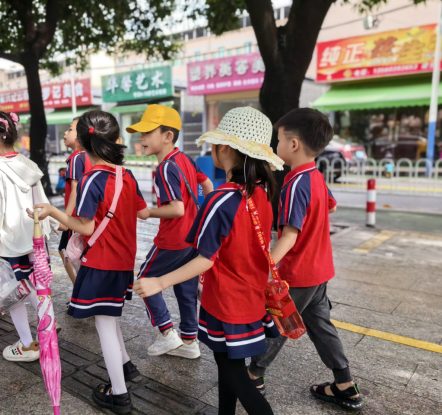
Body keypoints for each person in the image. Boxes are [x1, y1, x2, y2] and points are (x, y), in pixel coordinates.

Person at [134, 107, 284, 415]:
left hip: (226, 302)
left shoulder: (222, 199)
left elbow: (205, 259)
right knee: (228, 365)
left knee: (234, 374)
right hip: (251, 298)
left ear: (225, 148)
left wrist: (160, 281)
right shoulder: (261, 194)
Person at [29, 110, 150, 414]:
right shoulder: (127, 174)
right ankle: (126, 366)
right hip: (123, 260)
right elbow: (142, 213)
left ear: (83, 143)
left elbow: (84, 226)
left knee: (104, 323)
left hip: (101, 261)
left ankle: (119, 395)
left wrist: (52, 212)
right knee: (108, 316)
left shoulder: (91, 178)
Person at [248, 108, 363, 412]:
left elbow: (289, 236)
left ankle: (254, 375)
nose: (277, 146)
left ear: (294, 144)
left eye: (279, 140)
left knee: (277, 323)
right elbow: (331, 207)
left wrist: (261, 267)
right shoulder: (314, 176)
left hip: (297, 274)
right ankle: (344, 383)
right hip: (320, 269)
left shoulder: (294, 183)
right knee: (321, 326)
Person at [127, 104, 213, 359]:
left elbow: (176, 209)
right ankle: (189, 341)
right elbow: (206, 183)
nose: (141, 138)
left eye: (147, 132)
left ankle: (167, 333)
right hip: (192, 237)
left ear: (168, 136)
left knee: (143, 280)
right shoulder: (184, 159)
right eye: (140, 133)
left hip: (173, 239)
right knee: (185, 289)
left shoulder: (164, 167)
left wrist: (147, 213)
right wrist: (204, 215)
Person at [0, 111, 59, 363]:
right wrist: (53, 223)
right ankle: (49, 327)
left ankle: (27, 344)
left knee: (13, 295)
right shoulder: (28, 164)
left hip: (9, 245)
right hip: (35, 240)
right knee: (36, 286)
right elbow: (41, 200)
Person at [58, 117, 93, 290]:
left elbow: (74, 189)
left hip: (75, 216)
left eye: (70, 129)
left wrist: (66, 218)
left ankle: (79, 288)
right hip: (86, 215)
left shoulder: (75, 159)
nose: (66, 132)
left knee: (66, 251)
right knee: (78, 252)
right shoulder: (89, 157)